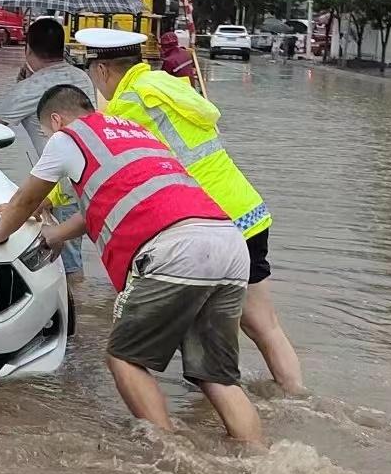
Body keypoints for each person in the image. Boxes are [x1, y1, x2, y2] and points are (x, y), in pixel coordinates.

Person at [0, 85, 264, 445]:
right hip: (227, 243)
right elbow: (113, 203)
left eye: (45, 133)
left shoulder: (67, 138)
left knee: (124, 359)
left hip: (175, 249)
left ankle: (169, 454)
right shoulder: (136, 133)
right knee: (217, 375)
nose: (48, 140)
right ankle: (258, 456)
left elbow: (26, 198)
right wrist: (55, 234)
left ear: (56, 121)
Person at [77, 28, 306, 395]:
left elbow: (92, 161)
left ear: (102, 71)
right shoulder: (170, 86)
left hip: (207, 222)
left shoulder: (129, 105)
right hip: (246, 209)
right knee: (263, 323)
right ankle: (296, 396)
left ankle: (215, 405)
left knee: (200, 332)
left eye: (92, 74)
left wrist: (47, 201)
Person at [0, 17, 94, 288]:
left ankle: (75, 316)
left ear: (28, 49)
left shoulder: (29, 87)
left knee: (66, 263)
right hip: (87, 178)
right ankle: (81, 310)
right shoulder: (81, 77)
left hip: (57, 184)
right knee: (69, 252)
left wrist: (21, 86)